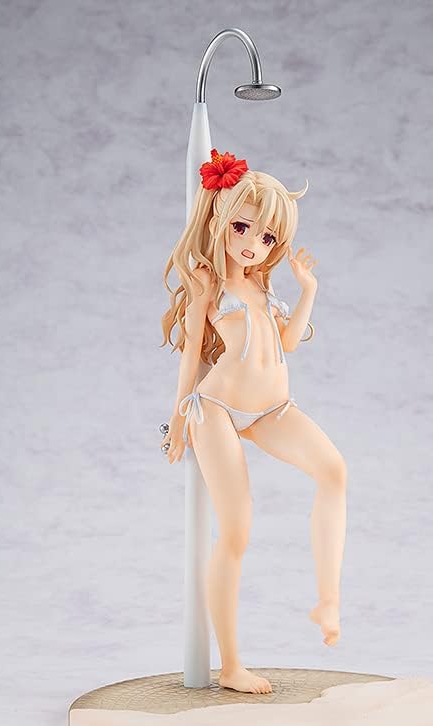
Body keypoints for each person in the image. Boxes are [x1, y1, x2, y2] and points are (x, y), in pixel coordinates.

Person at [160, 149, 347, 695]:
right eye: (242, 227)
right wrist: (178, 417)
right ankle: (231, 665)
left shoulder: (262, 286)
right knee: (237, 531)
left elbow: (288, 342)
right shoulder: (208, 282)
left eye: (266, 237)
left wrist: (308, 290)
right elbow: (191, 352)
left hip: (273, 409)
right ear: (219, 219)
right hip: (217, 407)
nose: (252, 244)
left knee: (334, 471)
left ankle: (328, 600)